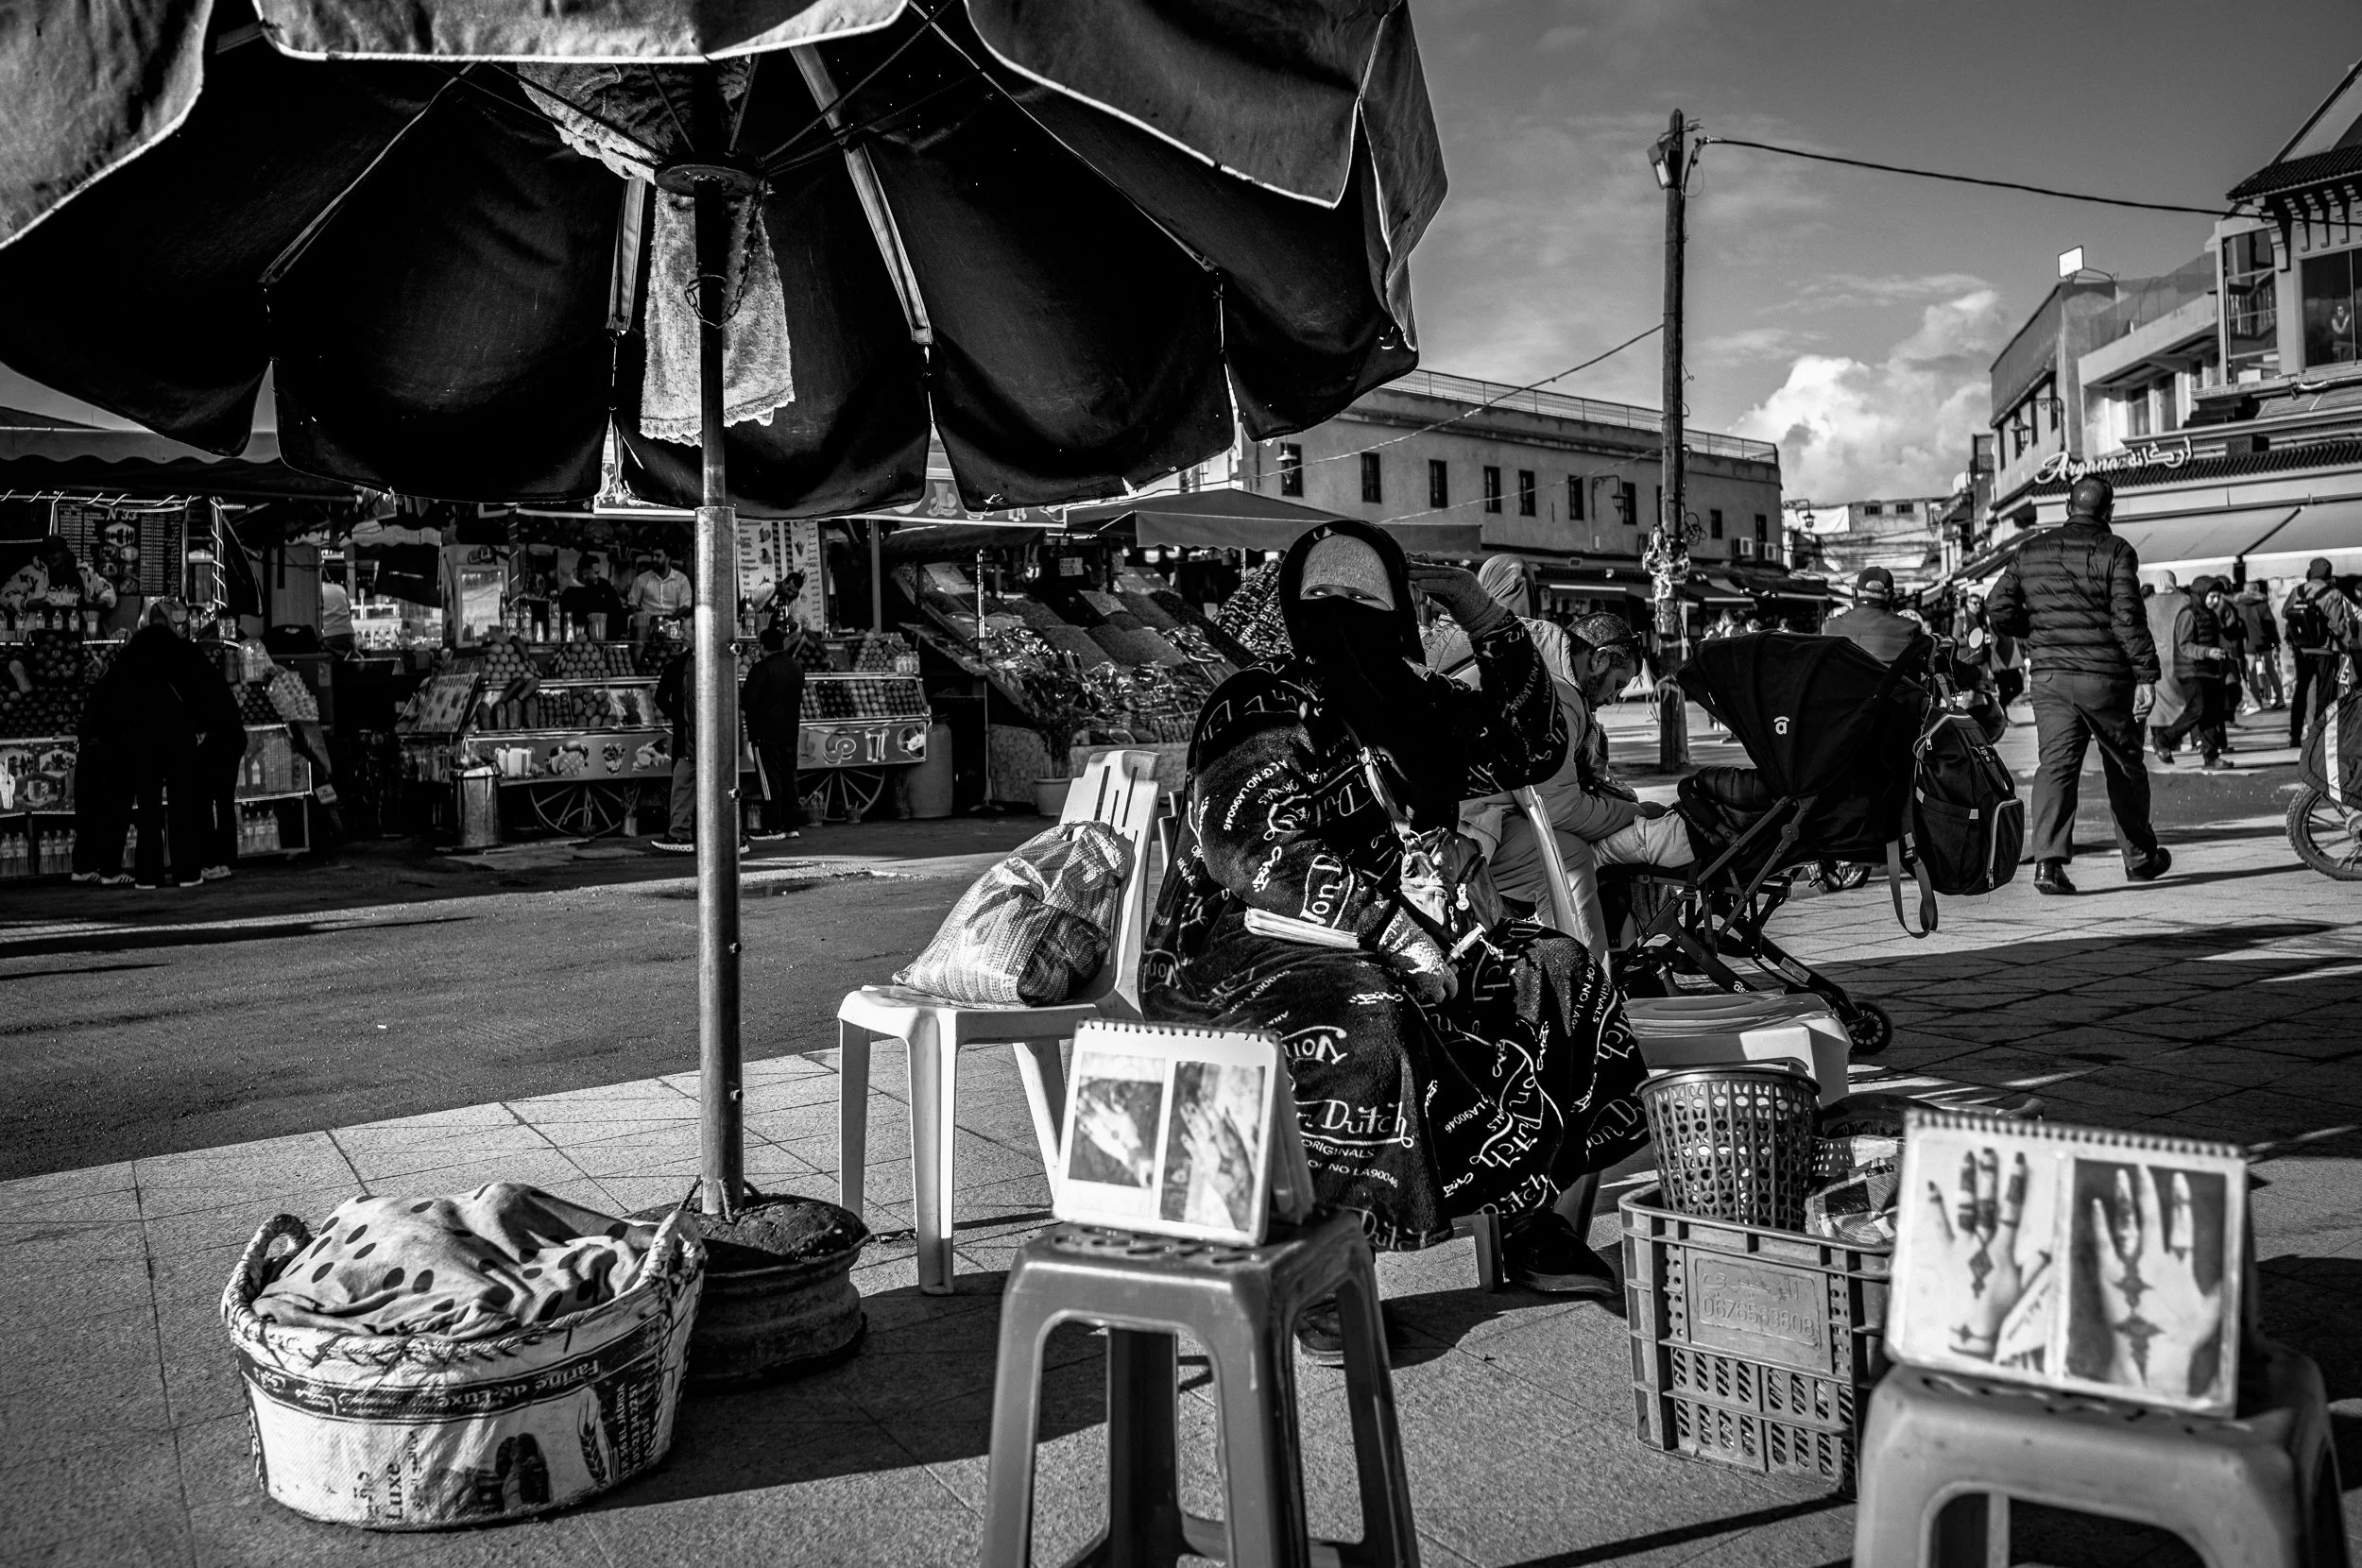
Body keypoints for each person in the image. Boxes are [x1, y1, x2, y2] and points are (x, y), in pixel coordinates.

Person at [1141, 521, 1649, 1342]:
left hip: (1408, 931)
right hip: (1246, 943)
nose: (1343, 612)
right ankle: (1322, 1269)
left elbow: (1530, 747)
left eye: (1363, 596)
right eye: (1323, 595)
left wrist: (1483, 615)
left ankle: (1531, 1215)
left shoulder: (1416, 701)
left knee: (1558, 969)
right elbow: (1252, 851)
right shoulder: (1259, 703)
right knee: (1366, 1013)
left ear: (1399, 613)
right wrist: (1389, 929)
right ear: (1294, 609)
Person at [1460, 614, 1692, 963]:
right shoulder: (1556, 693)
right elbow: (1558, 808)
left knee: (1567, 848)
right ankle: (1586, 976)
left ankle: (1568, 964)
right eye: (1617, 684)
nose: (1613, 699)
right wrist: (1633, 812)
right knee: (1568, 857)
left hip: (1458, 810)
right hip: (1463, 825)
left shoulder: (1528, 665)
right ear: (1598, 659)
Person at [1985, 474, 2169, 894]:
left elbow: (1997, 606)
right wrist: (2146, 674)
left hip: (2050, 677)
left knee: (2055, 767)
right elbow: (2127, 618)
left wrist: (2034, 632)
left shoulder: (2031, 550)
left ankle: (2048, 864)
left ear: (2068, 507)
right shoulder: (2115, 550)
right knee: (2123, 766)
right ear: (2109, 511)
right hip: (2106, 678)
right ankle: (2140, 858)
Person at [88, 600, 211, 888]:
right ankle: (187, 873)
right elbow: (200, 692)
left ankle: (147, 875)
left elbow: (111, 694)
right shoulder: (183, 651)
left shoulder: (131, 653)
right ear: (171, 623)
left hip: (142, 739)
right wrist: (198, 727)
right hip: (179, 738)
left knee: (148, 810)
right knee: (182, 806)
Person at [650, 641, 745, 854]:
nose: (682, 634)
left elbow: (702, 705)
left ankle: (733, 836)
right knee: (687, 783)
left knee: (717, 787)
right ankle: (681, 833)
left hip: (704, 739)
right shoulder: (697, 664)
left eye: (686, 629)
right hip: (697, 739)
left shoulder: (703, 665)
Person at [740, 614, 809, 840]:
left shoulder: (761, 669)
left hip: (765, 734)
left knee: (770, 780)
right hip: (790, 732)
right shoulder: (796, 667)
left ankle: (773, 826)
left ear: (762, 646)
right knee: (789, 778)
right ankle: (791, 825)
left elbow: (747, 700)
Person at [2285, 558, 2358, 749]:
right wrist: (2349, 642)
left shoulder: (2298, 591)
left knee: (2301, 690)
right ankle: (2318, 735)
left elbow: (2286, 612)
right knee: (2325, 692)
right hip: (2325, 649)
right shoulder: (2332, 594)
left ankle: (2294, 735)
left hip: (2301, 649)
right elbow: (2338, 626)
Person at [1821, 568, 1931, 668]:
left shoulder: (1829, 627)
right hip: (1888, 684)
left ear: (1855, 594)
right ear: (1891, 597)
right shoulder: (1909, 629)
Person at [1, 535, 118, 622]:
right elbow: (3, 594)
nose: (49, 557)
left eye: (54, 552)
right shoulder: (32, 572)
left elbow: (107, 590)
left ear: (64, 553)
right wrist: (25, 603)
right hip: (38, 632)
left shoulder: (83, 572)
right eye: (46, 553)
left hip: (76, 632)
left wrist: (100, 603)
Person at [2235, 579, 2284, 713]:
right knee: (2270, 669)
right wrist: (2276, 642)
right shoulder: (2263, 604)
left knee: (2251, 672)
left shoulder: (2239, 606)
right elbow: (2270, 624)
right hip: (2265, 640)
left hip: (2248, 642)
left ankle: (2257, 701)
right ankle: (2279, 698)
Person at [627, 547, 693, 639]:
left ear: (668, 559)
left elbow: (685, 606)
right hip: (648, 625)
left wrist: (667, 622)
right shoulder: (641, 579)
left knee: (672, 646)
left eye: (658, 556)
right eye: (652, 556)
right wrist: (641, 620)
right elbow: (632, 602)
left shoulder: (681, 580)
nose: (653, 559)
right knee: (645, 647)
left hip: (672, 623)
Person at [559, 554, 625, 639]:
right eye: (596, 573)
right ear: (584, 574)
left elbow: (618, 611)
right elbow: (565, 625)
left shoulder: (605, 586)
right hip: (581, 643)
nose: (599, 576)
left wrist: (623, 632)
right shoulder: (568, 595)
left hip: (609, 642)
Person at [318, 576, 355, 655]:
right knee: (350, 659)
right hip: (348, 633)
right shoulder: (340, 588)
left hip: (330, 635)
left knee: (329, 659)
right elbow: (349, 611)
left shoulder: (317, 590)